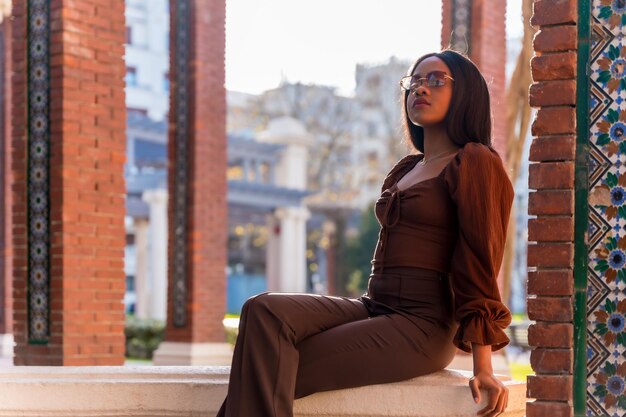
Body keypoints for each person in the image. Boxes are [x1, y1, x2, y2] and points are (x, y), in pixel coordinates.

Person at [217, 49, 514, 417]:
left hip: (423, 326)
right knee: (263, 311)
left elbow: (480, 259)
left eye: (436, 80)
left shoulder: (476, 162)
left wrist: (484, 367)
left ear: (466, 92)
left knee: (266, 367)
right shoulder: (407, 168)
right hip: (373, 307)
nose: (421, 89)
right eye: (414, 81)